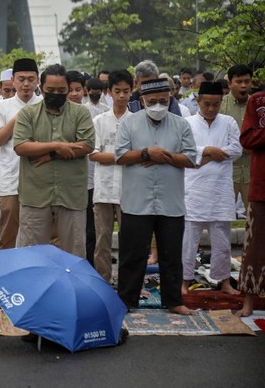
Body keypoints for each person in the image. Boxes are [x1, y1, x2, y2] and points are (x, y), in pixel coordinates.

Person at [115, 78, 197, 315]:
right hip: (136, 201)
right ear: (142, 101)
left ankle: (174, 301)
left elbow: (191, 158)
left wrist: (165, 156)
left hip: (170, 202)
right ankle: (127, 301)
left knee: (171, 254)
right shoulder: (129, 124)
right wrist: (144, 153)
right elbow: (120, 156)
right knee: (132, 255)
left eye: (163, 101)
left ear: (170, 99)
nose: (158, 105)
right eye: (152, 101)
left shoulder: (181, 125)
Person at [12, 64, 95, 257]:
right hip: (35, 194)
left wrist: (49, 153)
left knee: (74, 254)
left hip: (71, 194)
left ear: (68, 89)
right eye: (50, 90)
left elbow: (87, 145)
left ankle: (72, 288)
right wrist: (58, 146)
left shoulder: (81, 113)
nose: (56, 94)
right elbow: (21, 146)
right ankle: (31, 288)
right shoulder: (28, 113)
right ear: (41, 88)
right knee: (30, 254)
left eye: (61, 90)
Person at [182, 81, 242, 296]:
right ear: (198, 101)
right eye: (207, 104)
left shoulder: (229, 122)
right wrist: (208, 151)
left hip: (219, 190)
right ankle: (185, 281)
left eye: (216, 104)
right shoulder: (187, 123)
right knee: (189, 241)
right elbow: (184, 150)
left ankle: (224, 281)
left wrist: (208, 156)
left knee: (222, 242)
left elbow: (236, 148)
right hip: (194, 190)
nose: (211, 109)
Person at [0, 58, 41, 250]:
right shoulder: (0, 108)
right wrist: (17, 119)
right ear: (12, 79)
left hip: (40, 180)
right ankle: (5, 278)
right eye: (21, 79)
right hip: (11, 179)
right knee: (8, 233)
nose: (26, 84)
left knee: (38, 234)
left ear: (37, 80)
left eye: (30, 79)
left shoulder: (44, 105)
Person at [90, 70, 133, 284]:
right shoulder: (99, 121)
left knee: (129, 242)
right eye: (117, 91)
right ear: (109, 92)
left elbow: (139, 156)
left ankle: (127, 284)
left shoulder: (136, 121)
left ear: (132, 92)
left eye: (126, 91)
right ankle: (102, 283)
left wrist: (116, 157)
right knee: (102, 241)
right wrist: (123, 156)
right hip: (104, 190)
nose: (122, 96)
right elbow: (93, 154)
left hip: (129, 191)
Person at [236, 91, 265, 317]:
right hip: (261, 185)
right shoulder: (257, 101)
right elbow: (247, 139)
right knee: (255, 245)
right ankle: (248, 302)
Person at [82, 78, 110, 265]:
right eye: (92, 90)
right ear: (87, 90)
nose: (95, 93)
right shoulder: (83, 110)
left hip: (100, 173)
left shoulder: (107, 110)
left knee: (96, 227)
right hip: (86, 170)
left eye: (98, 90)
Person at [220, 64, 253, 218]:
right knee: (221, 216)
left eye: (247, 81)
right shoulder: (220, 105)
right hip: (227, 171)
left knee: (257, 216)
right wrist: (241, 146)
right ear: (230, 83)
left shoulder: (259, 105)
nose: (243, 85)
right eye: (239, 81)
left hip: (253, 170)